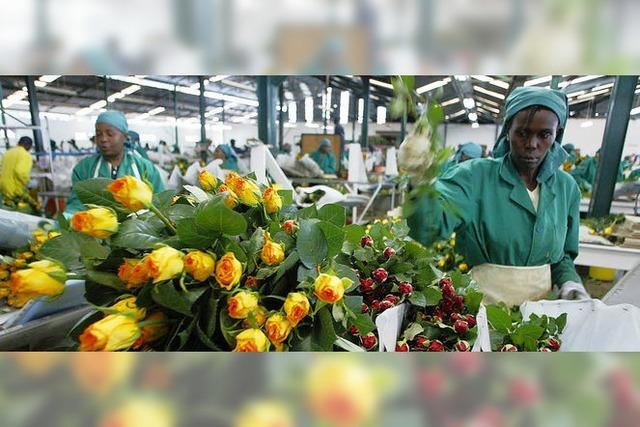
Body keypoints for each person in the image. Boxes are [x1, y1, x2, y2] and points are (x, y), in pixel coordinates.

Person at [408, 87, 589, 306]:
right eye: (522, 133)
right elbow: (428, 228)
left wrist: (571, 282)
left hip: (539, 319)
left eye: (544, 135)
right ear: (507, 131)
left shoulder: (566, 188)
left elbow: (563, 259)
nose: (532, 144)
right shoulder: (475, 176)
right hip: (480, 310)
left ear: (556, 134)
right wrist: (420, 184)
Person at [64, 111, 164, 215]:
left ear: (125, 137)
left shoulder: (144, 168)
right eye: (98, 134)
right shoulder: (84, 168)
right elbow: (77, 203)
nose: (103, 139)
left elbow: (160, 202)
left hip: (139, 228)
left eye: (110, 134)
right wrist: (69, 217)